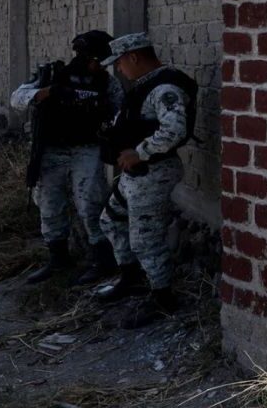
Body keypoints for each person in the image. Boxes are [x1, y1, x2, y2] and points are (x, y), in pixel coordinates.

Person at [96, 33, 197, 329]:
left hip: (154, 171)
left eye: (120, 64)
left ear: (134, 57)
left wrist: (139, 153)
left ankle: (162, 298)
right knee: (110, 220)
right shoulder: (146, 85)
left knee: (145, 240)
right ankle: (131, 279)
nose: (119, 70)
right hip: (136, 172)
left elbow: (174, 130)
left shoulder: (165, 87)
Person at [10, 31, 123, 285]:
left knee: (91, 203)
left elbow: (120, 113)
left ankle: (102, 260)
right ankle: (58, 258)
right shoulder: (52, 75)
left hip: (87, 149)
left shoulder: (106, 83)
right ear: (86, 57)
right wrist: (47, 92)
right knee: (49, 204)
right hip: (52, 150)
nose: (102, 66)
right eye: (99, 60)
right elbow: (17, 98)